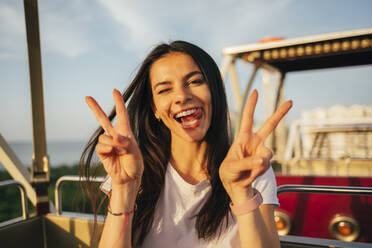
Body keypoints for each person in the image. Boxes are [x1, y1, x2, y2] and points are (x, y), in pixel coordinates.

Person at [81, 40, 292, 248]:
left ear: (214, 91)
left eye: (195, 82)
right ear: (155, 108)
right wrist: (124, 189)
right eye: (164, 90)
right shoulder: (133, 170)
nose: (182, 96)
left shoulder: (251, 169)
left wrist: (241, 194)